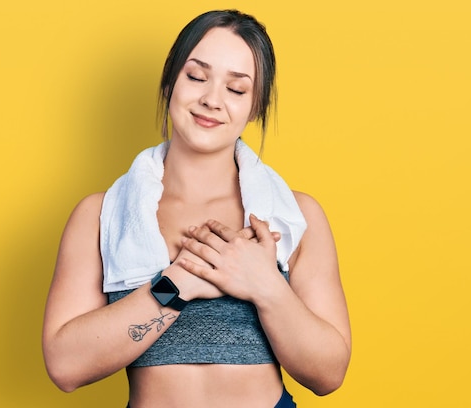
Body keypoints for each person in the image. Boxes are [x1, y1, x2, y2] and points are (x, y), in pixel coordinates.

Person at [42, 9, 351, 408]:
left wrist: (266, 284)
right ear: (171, 80)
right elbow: (65, 366)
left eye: (236, 89)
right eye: (196, 76)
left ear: (255, 106)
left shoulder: (293, 215)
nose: (211, 99)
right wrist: (179, 282)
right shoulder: (101, 215)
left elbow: (329, 374)